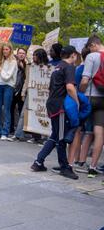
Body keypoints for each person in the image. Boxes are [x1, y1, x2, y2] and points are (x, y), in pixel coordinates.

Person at [31, 46, 79, 180]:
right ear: (73, 55)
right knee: (61, 138)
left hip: (52, 104)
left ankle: (38, 162)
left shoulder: (57, 67)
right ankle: (64, 167)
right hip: (60, 106)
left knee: (56, 135)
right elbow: (70, 87)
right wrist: (77, 101)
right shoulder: (69, 67)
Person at [79, 35, 104, 178]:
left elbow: (84, 79)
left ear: (93, 45)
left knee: (78, 129)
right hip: (103, 99)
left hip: (90, 97)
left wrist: (79, 93)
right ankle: (93, 167)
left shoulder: (92, 57)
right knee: (99, 132)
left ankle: (75, 161)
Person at [0, 43, 18, 141]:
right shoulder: (0, 60)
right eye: (3, 49)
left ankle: (5, 132)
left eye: (7, 49)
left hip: (8, 86)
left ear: (10, 50)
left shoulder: (13, 62)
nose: (5, 51)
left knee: (6, 110)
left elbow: (7, 77)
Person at [10, 48, 27, 134]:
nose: (21, 55)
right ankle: (11, 128)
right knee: (10, 109)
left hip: (22, 91)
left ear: (25, 55)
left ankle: (21, 130)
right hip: (13, 89)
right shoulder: (13, 63)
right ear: (17, 54)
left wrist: (23, 68)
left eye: (23, 53)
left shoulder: (27, 65)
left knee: (21, 110)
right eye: (20, 53)